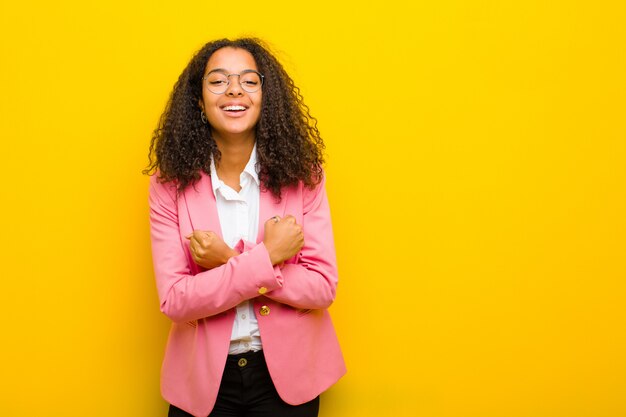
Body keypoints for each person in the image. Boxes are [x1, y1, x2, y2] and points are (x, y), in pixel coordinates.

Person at [144, 38, 346, 417]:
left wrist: (226, 260)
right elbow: (175, 299)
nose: (234, 89)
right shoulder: (167, 184)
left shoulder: (304, 177)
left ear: (265, 97)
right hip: (203, 382)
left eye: (249, 81)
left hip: (289, 380)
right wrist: (267, 257)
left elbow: (322, 287)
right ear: (198, 101)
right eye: (218, 81)